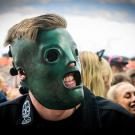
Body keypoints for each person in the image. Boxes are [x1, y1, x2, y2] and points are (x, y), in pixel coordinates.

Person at [0, 14, 134, 131]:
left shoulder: (117, 121)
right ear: (22, 72)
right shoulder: (5, 118)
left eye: (74, 52)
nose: (72, 61)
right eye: (53, 55)